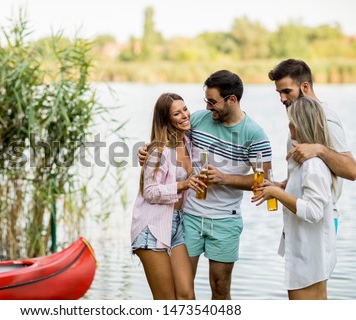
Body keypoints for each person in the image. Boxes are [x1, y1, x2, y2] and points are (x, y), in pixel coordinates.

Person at [138, 71, 272, 299]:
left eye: (212, 102)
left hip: (225, 221)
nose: (208, 107)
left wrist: (225, 178)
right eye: (206, 101)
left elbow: (264, 182)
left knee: (220, 289)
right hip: (188, 218)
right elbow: (171, 139)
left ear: (232, 100)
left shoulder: (254, 135)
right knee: (182, 293)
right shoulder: (199, 119)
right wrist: (147, 150)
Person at [252, 96, 337, 300]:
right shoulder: (305, 162)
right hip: (308, 253)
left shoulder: (312, 165)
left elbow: (314, 211)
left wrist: (278, 194)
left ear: (301, 126)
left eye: (292, 124)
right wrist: (280, 186)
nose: (289, 129)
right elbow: (305, 193)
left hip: (308, 258)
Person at [268, 59, 356, 231]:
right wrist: (284, 185)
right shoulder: (297, 119)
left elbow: (352, 171)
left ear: (305, 87)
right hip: (298, 218)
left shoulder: (326, 119)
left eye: (287, 91)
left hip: (322, 221)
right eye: (279, 93)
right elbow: (309, 173)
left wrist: (319, 149)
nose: (282, 99)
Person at [131, 92, 202, 300]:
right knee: (165, 300)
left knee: (187, 296)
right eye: (176, 114)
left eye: (185, 109)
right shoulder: (158, 151)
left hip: (177, 224)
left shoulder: (188, 142)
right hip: (151, 228)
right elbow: (150, 191)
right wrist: (183, 184)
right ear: (166, 119)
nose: (184, 116)